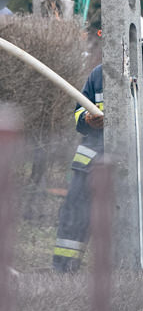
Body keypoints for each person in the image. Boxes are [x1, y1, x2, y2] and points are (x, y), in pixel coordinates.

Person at [53, 64, 103, 272]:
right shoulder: (100, 74)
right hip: (90, 162)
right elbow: (79, 111)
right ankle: (63, 272)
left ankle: (126, 275)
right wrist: (87, 119)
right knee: (74, 217)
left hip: (133, 166)